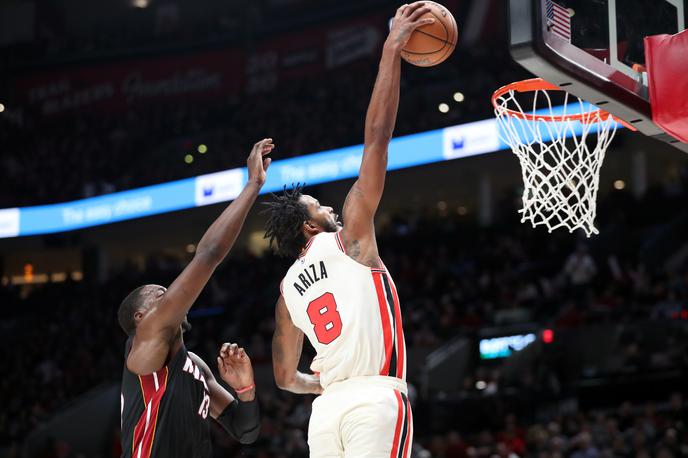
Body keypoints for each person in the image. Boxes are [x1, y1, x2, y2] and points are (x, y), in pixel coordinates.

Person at [264, 4, 433, 456]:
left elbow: (284, 378)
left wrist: (326, 384)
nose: (332, 208)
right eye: (320, 206)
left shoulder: (286, 292)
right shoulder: (348, 239)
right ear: (308, 225)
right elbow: (377, 137)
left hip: (325, 415)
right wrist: (391, 52)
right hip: (374, 399)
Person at [118, 139, 273, 457]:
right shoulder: (142, 344)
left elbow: (245, 431)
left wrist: (245, 389)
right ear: (140, 317)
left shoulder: (195, 367)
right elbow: (209, 254)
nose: (170, 295)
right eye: (159, 295)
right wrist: (252, 186)